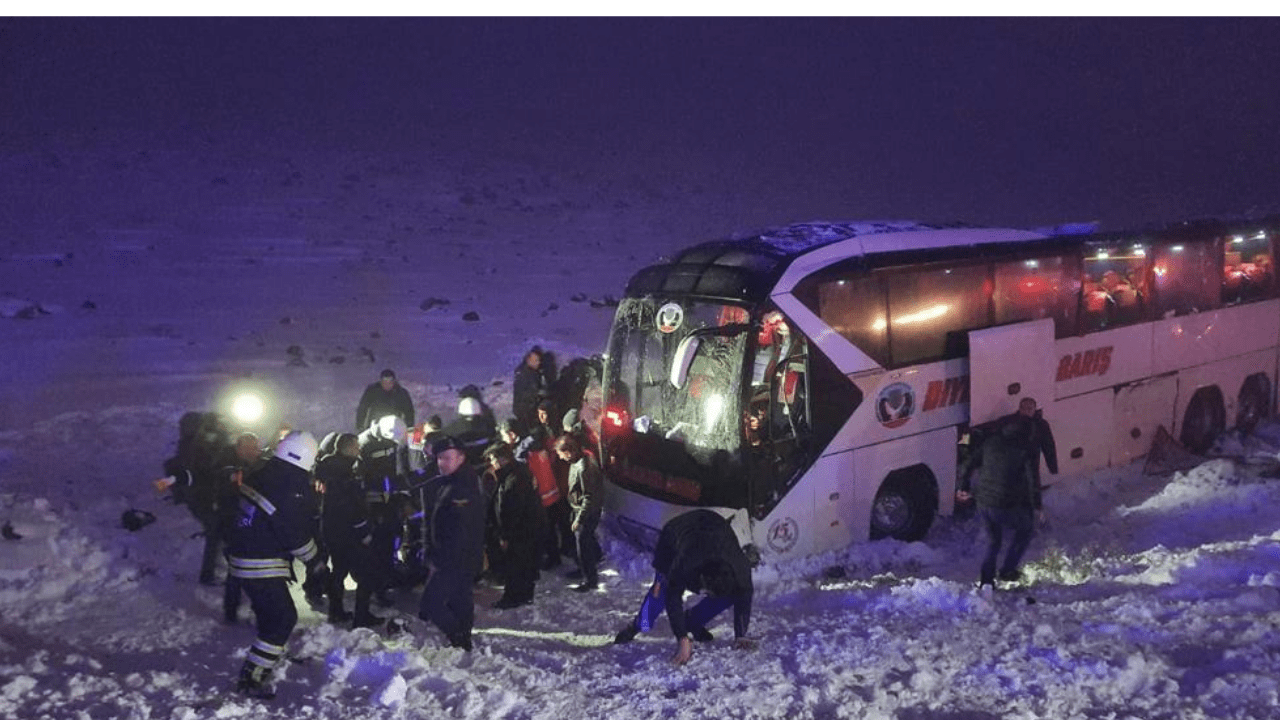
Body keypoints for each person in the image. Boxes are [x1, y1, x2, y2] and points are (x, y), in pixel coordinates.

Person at [225, 431, 328, 698]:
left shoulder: (266, 472)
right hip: (260, 562)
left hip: (244, 556)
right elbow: (294, 533)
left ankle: (271, 656)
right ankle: (252, 677)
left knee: (269, 615)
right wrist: (315, 560)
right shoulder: (289, 485)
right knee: (283, 618)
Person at [612, 510, 755, 666]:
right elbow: (673, 598)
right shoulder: (685, 564)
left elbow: (745, 593)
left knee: (730, 596)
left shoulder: (740, 568)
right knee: (660, 591)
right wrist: (682, 638)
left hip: (713, 528)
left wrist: (741, 635)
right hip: (672, 539)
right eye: (708, 592)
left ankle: (692, 621)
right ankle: (638, 625)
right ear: (702, 579)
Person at [956, 418, 1042, 591]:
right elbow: (1033, 481)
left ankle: (987, 581)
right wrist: (1037, 506)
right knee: (1026, 529)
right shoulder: (1025, 449)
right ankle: (1008, 570)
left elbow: (967, 465)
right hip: (1005, 503)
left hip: (984, 502)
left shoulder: (991, 443)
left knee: (993, 541)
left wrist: (963, 487)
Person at [417, 436, 486, 651]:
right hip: (456, 558)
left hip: (455, 559)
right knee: (460, 599)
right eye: (439, 458)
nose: (442, 463)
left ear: (461, 458)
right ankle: (463, 639)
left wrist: (440, 558)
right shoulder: (450, 482)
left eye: (447, 458)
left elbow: (462, 530)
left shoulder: (463, 486)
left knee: (431, 603)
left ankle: (458, 636)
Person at [318, 433, 386, 627]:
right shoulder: (345, 472)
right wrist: (363, 531)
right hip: (348, 533)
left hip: (331, 529)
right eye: (356, 446)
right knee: (366, 573)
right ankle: (361, 616)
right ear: (347, 448)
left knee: (339, 571)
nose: (359, 450)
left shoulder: (327, 467)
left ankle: (336, 611)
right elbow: (351, 505)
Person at [484, 442, 545, 608]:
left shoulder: (513, 479)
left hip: (518, 532)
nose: (492, 463)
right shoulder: (517, 472)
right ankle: (525, 595)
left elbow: (510, 510)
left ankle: (513, 597)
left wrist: (504, 535)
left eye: (493, 459)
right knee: (523, 564)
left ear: (503, 460)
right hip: (526, 529)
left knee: (515, 565)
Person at [555, 434, 603, 592]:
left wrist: (579, 520)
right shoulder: (579, 460)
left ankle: (590, 580)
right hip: (578, 508)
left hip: (586, 512)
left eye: (561, 454)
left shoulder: (583, 468)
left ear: (568, 452)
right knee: (582, 543)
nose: (560, 458)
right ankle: (585, 568)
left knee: (583, 546)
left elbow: (589, 497)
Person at [513, 346, 554, 429]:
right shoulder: (523, 375)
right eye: (535, 360)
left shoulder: (537, 373)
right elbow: (521, 394)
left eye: (539, 360)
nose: (538, 363)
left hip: (533, 411)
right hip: (525, 413)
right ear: (528, 360)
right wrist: (538, 393)